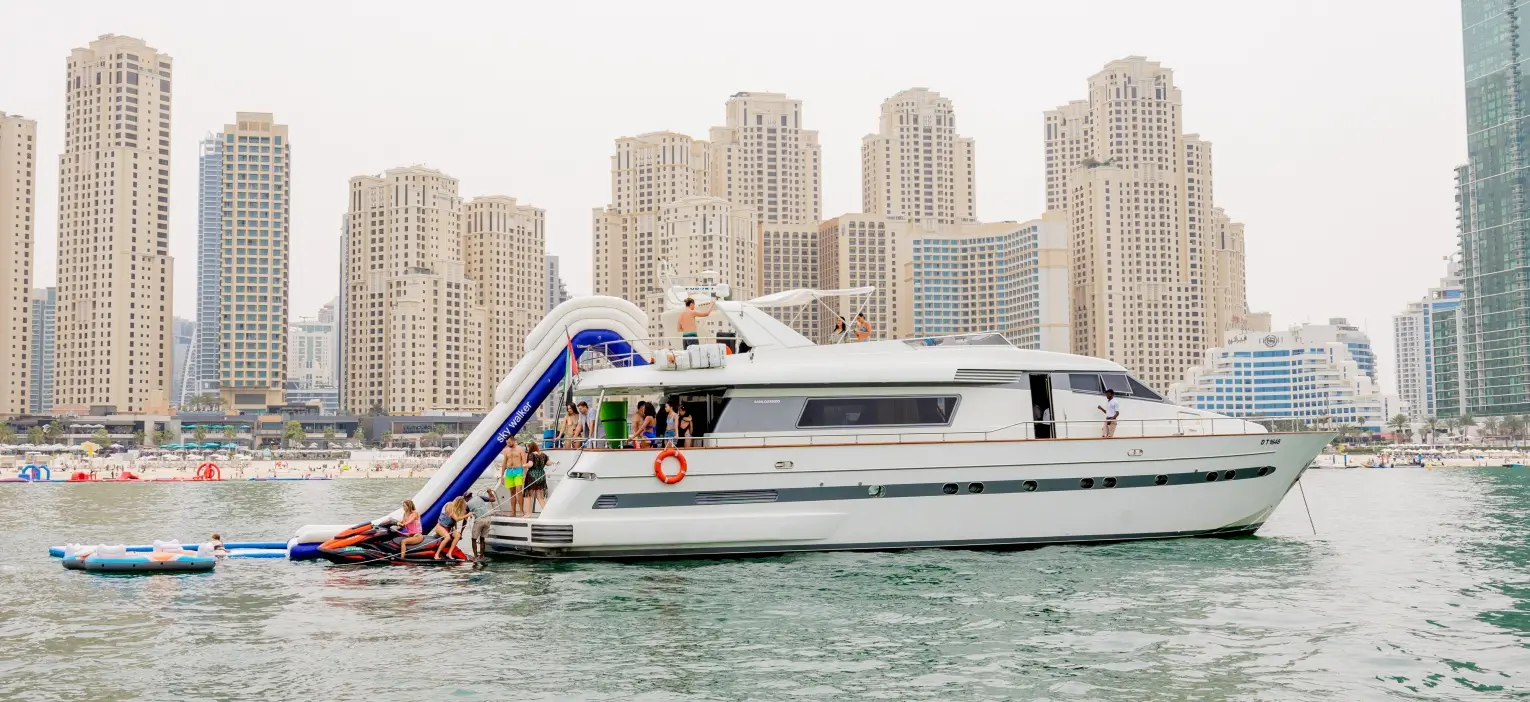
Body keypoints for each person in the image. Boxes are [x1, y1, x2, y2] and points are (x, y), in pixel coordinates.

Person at [465, 489, 496, 561]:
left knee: (474, 539)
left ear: (466, 498)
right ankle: (481, 556)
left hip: (479, 520)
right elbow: (493, 499)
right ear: (471, 495)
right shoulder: (480, 497)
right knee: (482, 539)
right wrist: (490, 492)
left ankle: (475, 557)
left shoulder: (468, 505)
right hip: (488, 519)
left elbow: (465, 519)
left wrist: (461, 531)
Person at [501, 442, 527, 517]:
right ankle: (513, 512)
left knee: (519, 491)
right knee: (512, 493)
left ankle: (522, 511)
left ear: (513, 440)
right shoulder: (506, 451)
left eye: (509, 442)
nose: (508, 444)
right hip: (509, 471)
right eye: (507, 442)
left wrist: (524, 474)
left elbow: (524, 462)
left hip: (518, 471)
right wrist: (502, 475)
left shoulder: (520, 449)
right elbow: (504, 463)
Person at [523, 442, 549, 516]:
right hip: (541, 476)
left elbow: (530, 464)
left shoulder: (531, 454)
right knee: (540, 497)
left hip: (532, 476)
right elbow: (549, 463)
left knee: (528, 495)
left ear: (531, 448)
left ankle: (528, 513)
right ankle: (547, 513)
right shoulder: (543, 455)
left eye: (528, 448)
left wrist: (524, 465)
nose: (527, 450)